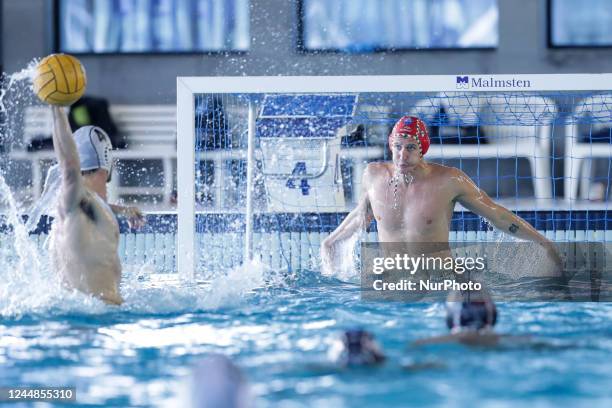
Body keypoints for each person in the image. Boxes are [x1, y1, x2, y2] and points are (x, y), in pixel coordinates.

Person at [321, 116, 563, 277]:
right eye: (397, 147)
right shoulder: (373, 175)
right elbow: (362, 215)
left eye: (411, 148)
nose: (402, 155)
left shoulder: (450, 180)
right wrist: (332, 241)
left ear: (423, 149)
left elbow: (497, 215)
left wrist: (542, 242)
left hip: (441, 280)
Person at [47, 106, 144, 305]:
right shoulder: (74, 193)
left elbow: (94, 208)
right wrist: (56, 108)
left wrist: (123, 210)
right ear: (107, 162)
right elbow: (69, 167)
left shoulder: (82, 204)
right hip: (97, 318)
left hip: (89, 313)